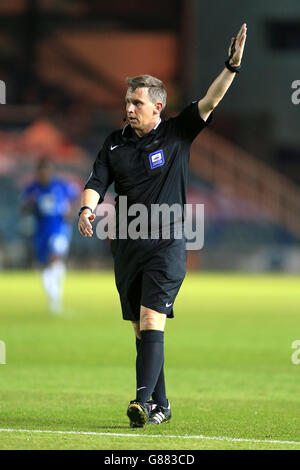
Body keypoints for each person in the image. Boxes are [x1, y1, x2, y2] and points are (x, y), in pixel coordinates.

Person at [78, 24, 247, 427]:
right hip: (128, 244)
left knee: (152, 319)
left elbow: (211, 100)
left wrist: (231, 66)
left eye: (137, 102)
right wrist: (86, 211)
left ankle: (140, 404)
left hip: (167, 242)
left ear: (157, 108)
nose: (130, 108)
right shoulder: (114, 143)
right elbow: (95, 182)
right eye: (128, 101)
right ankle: (162, 405)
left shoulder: (177, 133)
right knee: (141, 329)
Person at [21, 158, 79, 314]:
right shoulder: (32, 188)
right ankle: (54, 299)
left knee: (56, 256)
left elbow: (75, 199)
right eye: (41, 171)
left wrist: (71, 212)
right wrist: (29, 204)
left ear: (51, 171)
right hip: (41, 230)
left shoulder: (61, 186)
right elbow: (24, 209)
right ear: (38, 173)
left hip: (59, 228)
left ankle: (56, 299)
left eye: (46, 170)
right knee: (45, 265)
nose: (44, 174)